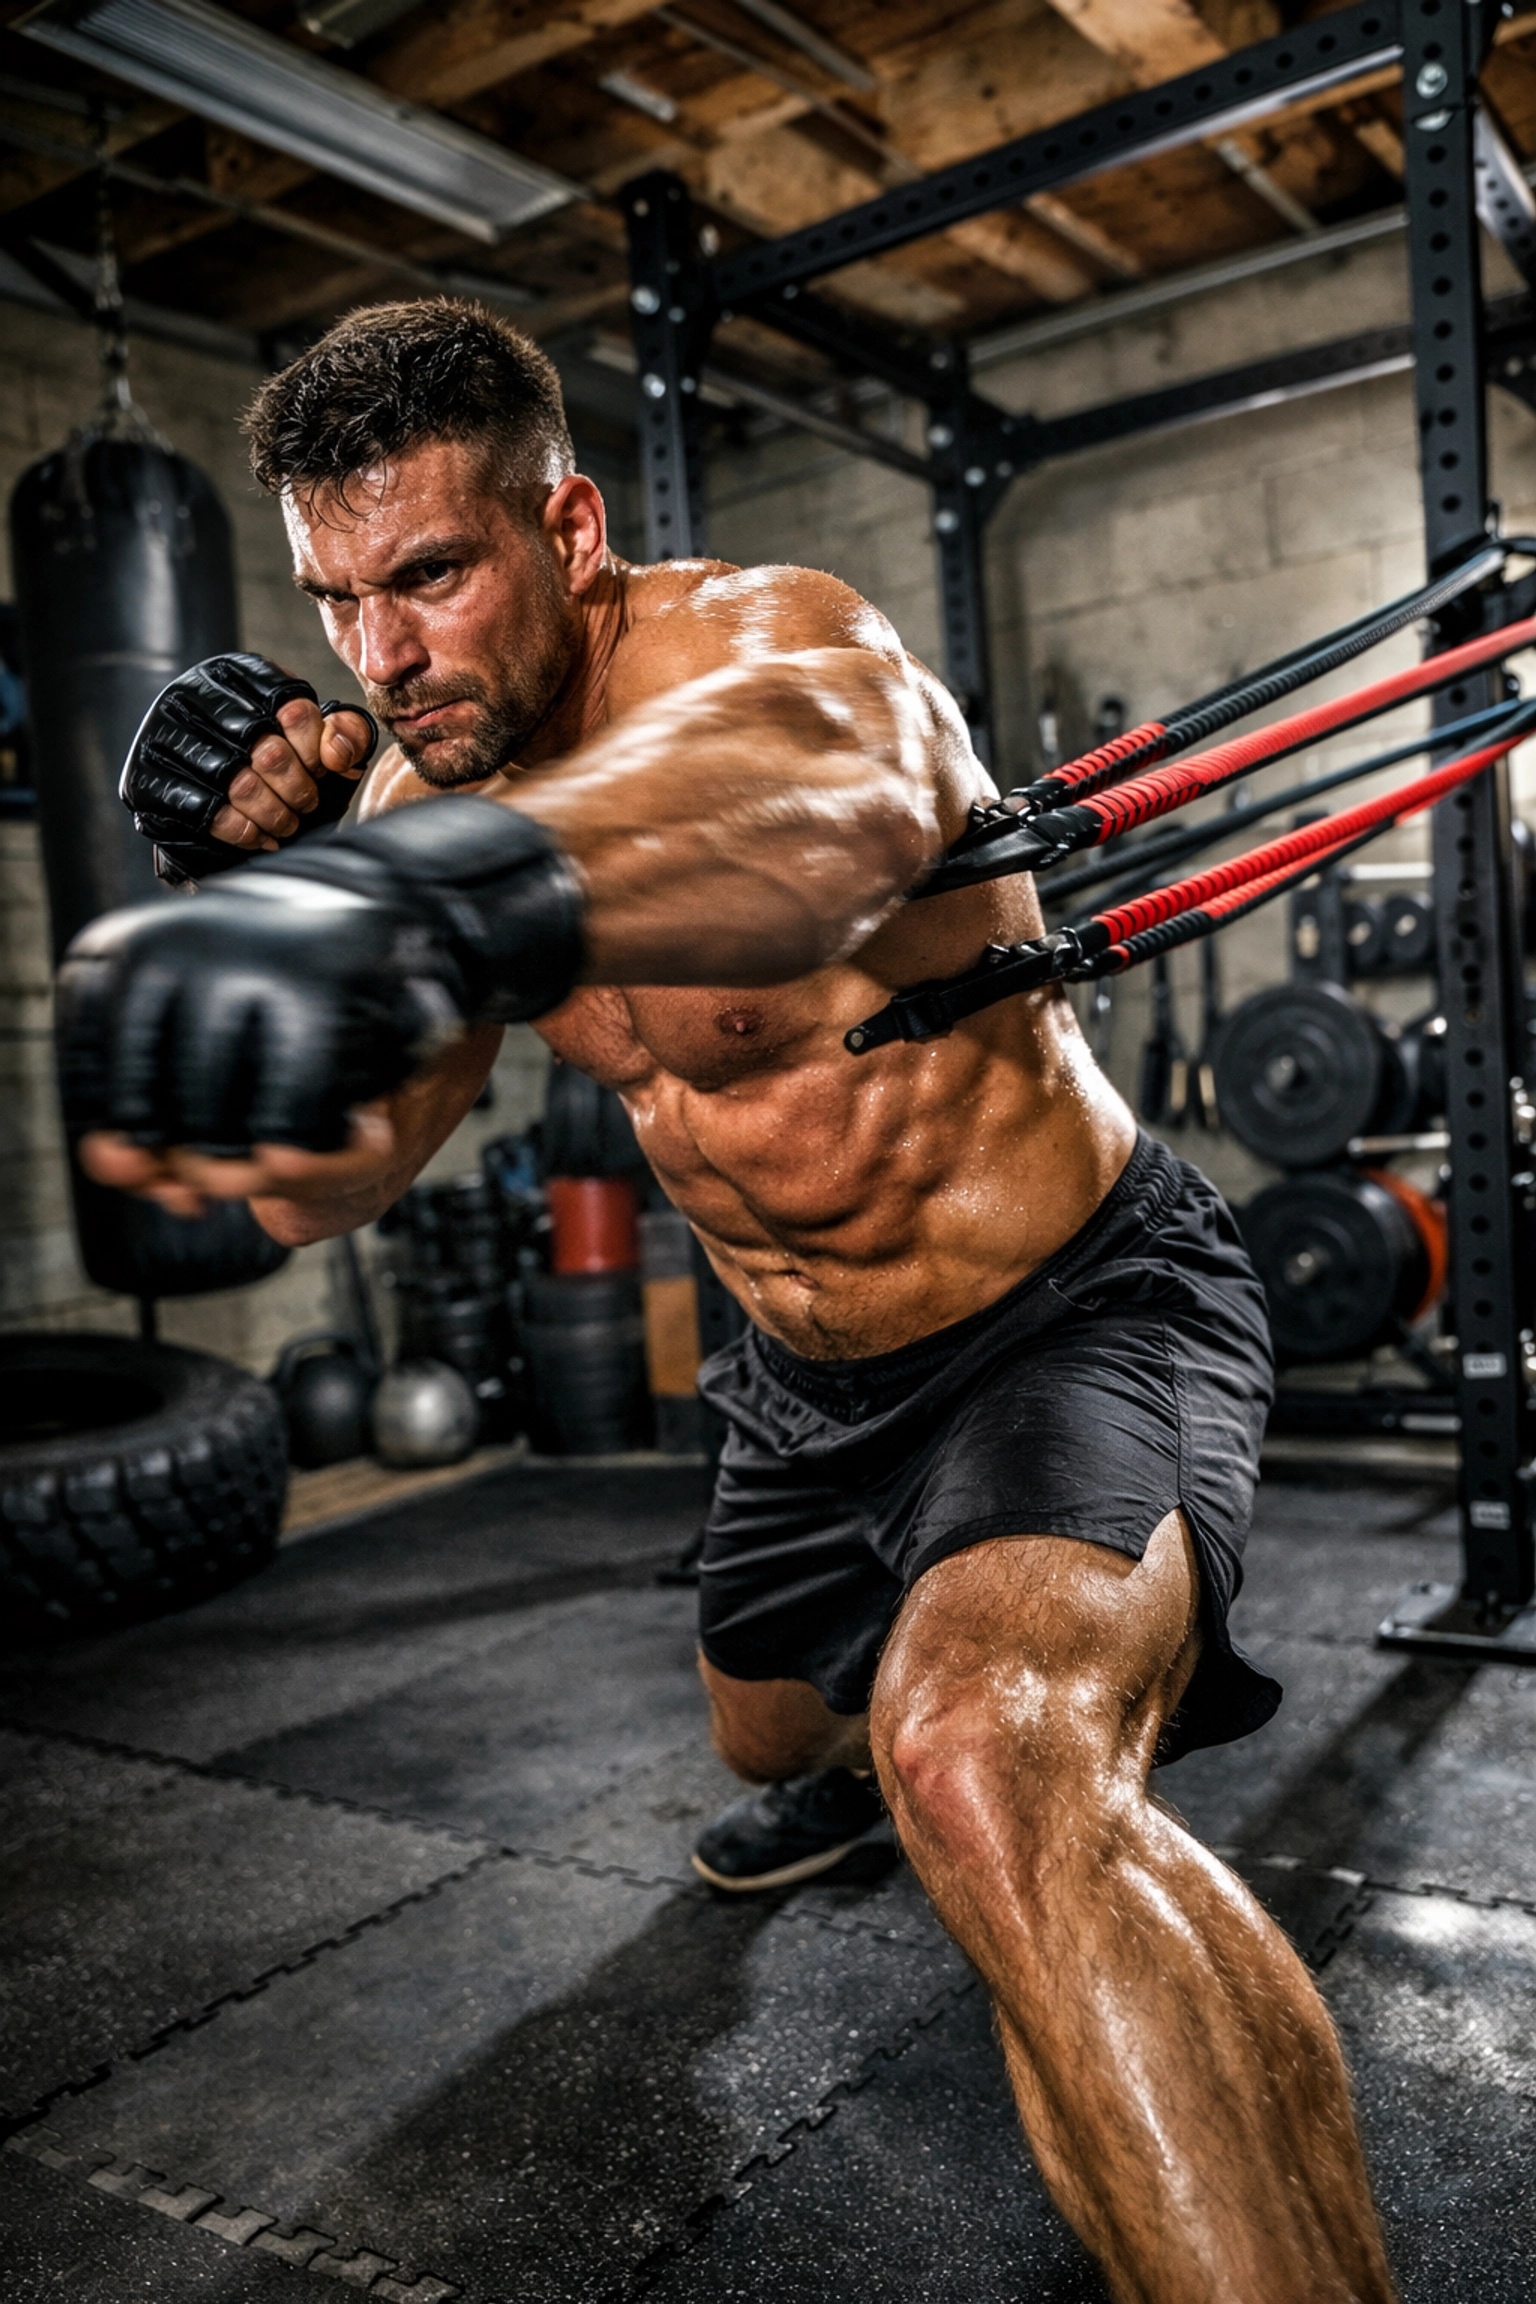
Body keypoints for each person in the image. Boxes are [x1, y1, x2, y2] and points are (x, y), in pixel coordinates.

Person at [71, 299, 1395, 2304]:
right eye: (339, 600)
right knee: (776, 1740)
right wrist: (228, 956)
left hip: (1064, 1316)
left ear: (570, 526)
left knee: (986, 1760)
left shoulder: (776, 646)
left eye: (430, 573)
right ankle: (861, 1740)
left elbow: (832, 809)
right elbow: (349, 1164)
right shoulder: (415, 809)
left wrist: (421, 892)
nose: (385, 650)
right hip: (795, 1390)